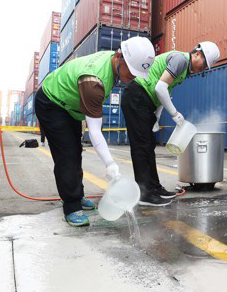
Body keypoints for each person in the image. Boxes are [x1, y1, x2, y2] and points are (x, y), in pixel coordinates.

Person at [35, 37, 155, 226]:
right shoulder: (93, 81)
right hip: (52, 103)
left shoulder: (113, 63)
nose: (133, 76)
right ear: (119, 57)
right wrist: (110, 164)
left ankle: (78, 194)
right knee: (66, 155)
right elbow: (95, 132)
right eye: (132, 71)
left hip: (71, 108)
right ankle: (72, 206)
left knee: (75, 151)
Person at [121, 42, 220, 206]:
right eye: (204, 64)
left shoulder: (184, 70)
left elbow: (163, 93)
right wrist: (174, 114)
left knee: (149, 146)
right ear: (197, 54)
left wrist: (157, 118)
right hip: (137, 96)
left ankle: (154, 187)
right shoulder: (180, 59)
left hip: (146, 102)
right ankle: (144, 194)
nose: (202, 69)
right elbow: (160, 88)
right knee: (141, 147)